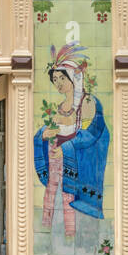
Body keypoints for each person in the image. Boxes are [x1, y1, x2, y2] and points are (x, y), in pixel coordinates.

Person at [34, 42, 109, 239]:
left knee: (69, 198)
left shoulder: (87, 102)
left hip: (72, 160)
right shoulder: (60, 105)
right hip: (55, 158)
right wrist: (43, 134)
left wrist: (67, 147)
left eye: (61, 78)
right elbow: (54, 129)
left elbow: (92, 132)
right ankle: (46, 234)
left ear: (73, 78)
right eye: (55, 79)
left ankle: (71, 236)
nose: (58, 83)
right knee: (51, 195)